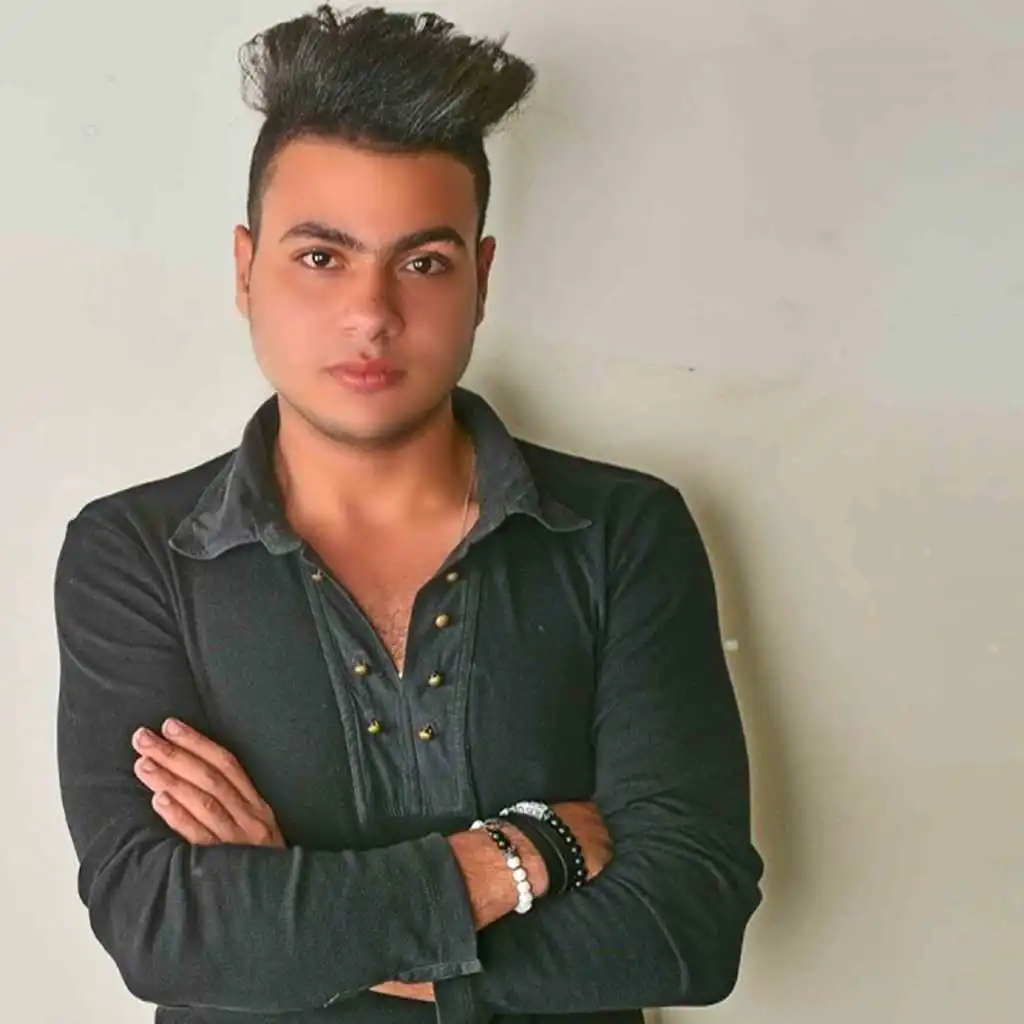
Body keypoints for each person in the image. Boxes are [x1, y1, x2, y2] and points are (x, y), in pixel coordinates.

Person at [53, 5, 764, 1024]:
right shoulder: (136, 552)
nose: (372, 314)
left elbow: (686, 928)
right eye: (321, 257)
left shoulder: (623, 532)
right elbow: (163, 928)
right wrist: (522, 856)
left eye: (423, 262)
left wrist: (290, 910)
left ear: (481, 278)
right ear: (245, 270)